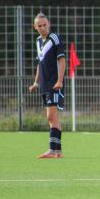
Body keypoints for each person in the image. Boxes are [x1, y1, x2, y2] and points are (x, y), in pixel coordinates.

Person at [28, 13, 66, 158]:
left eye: (45, 25)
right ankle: (58, 151)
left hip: (54, 83)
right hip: (44, 83)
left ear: (48, 24)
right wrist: (36, 82)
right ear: (35, 27)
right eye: (39, 26)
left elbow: (62, 60)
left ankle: (51, 150)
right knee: (53, 117)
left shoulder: (54, 38)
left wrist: (60, 80)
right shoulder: (38, 41)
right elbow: (40, 63)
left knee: (51, 116)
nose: (43, 28)